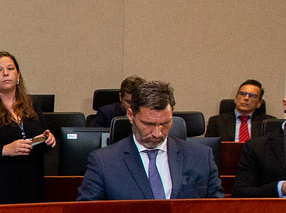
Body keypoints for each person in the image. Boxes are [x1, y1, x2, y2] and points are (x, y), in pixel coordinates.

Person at [76, 80, 225, 201]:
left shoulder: (201, 157)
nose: (157, 133)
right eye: (149, 124)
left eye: (165, 123)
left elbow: (217, 212)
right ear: (130, 115)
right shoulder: (104, 162)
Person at [0, 51, 56, 204]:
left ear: (18, 76)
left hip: (31, 180)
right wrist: (5, 150)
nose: (6, 73)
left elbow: (42, 137)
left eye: (10, 69)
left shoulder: (32, 103)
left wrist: (47, 139)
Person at [207, 80, 279, 143]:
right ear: (236, 98)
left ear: (259, 103)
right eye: (243, 94)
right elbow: (210, 148)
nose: (246, 98)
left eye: (252, 95)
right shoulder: (216, 122)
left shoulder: (268, 123)